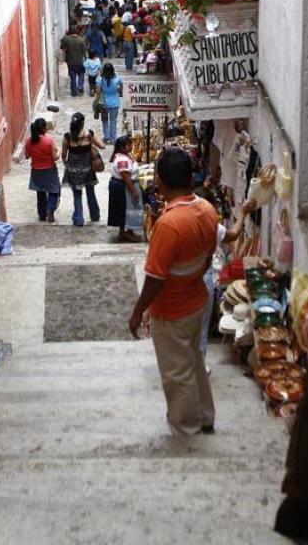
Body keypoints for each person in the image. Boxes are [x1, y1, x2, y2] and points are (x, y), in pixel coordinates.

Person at [128, 147, 218, 436]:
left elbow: (155, 278)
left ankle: (186, 425)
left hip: (173, 311)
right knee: (193, 360)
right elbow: (208, 257)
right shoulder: (206, 210)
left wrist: (139, 310)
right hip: (197, 301)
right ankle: (205, 415)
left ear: (161, 181)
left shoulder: (168, 225)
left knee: (177, 372)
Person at [193, 187, 257, 368]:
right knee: (202, 325)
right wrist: (243, 212)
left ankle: (185, 365)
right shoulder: (211, 225)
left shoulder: (182, 222)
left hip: (183, 278)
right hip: (203, 279)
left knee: (184, 325)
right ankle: (199, 365)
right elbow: (234, 234)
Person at [61, 112, 104, 226]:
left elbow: (64, 155)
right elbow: (102, 146)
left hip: (73, 171)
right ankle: (94, 215)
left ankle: (79, 219)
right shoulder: (89, 134)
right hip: (88, 170)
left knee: (77, 195)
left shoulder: (67, 137)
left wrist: (66, 164)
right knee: (90, 192)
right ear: (83, 123)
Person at [25, 118, 61, 222]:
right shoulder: (49, 140)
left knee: (40, 193)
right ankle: (50, 208)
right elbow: (55, 157)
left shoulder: (29, 141)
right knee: (54, 191)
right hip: (49, 170)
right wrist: (58, 151)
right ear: (44, 128)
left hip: (36, 170)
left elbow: (27, 156)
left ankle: (42, 214)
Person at [108, 135, 143, 243]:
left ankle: (124, 232)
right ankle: (126, 232)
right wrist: (133, 191)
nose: (131, 146)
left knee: (122, 209)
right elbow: (125, 175)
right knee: (125, 209)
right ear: (122, 147)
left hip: (120, 185)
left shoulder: (124, 156)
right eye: (129, 145)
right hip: (123, 186)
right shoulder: (122, 159)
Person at [96, 62, 123, 144]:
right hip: (115, 102)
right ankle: (113, 139)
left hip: (103, 103)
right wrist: (118, 91)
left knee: (104, 120)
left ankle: (106, 136)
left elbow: (98, 91)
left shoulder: (100, 79)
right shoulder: (118, 78)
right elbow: (121, 88)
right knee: (113, 120)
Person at [60, 27, 86, 97]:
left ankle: (74, 92)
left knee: (73, 77)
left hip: (70, 61)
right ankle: (80, 86)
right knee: (81, 74)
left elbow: (62, 47)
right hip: (80, 61)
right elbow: (84, 51)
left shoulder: (67, 39)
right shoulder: (81, 40)